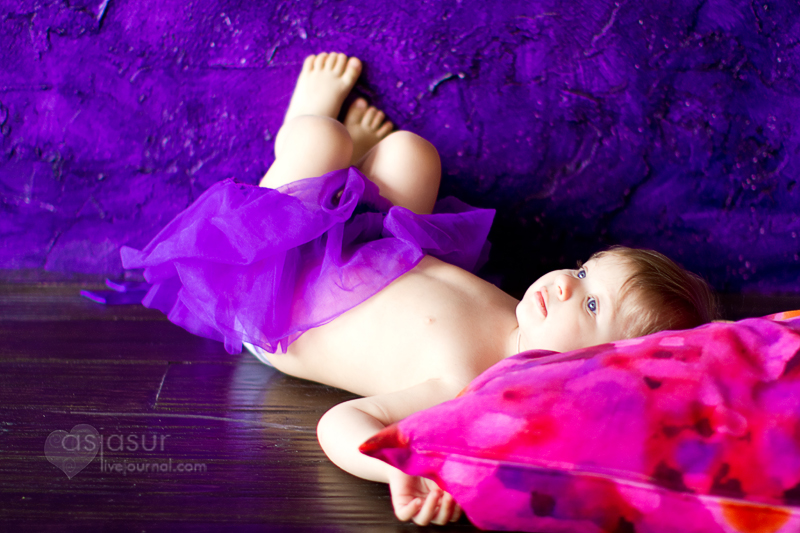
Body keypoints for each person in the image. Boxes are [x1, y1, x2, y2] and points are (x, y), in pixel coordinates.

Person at [121, 52, 718, 526]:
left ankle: (307, 134)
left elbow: (340, 424)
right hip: (364, 256)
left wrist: (396, 467)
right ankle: (351, 174)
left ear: (595, 370)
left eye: (590, 303)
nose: (565, 284)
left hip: (276, 295)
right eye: (584, 271)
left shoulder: (466, 388)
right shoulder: (524, 315)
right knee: (414, 154)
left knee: (320, 141)